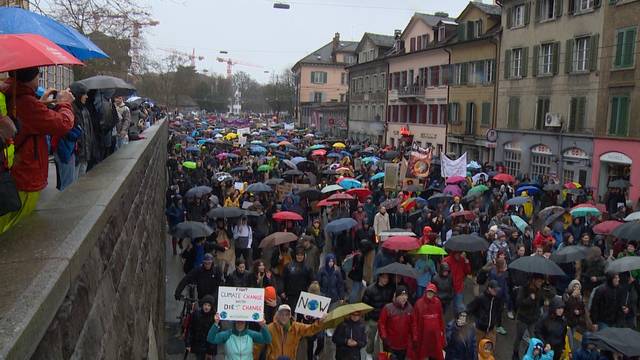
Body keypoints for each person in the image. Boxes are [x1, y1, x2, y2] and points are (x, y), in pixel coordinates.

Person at [0, 68, 75, 234]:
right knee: (17, 229)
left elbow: (25, 119)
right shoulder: (25, 101)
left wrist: (40, 103)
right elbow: (62, 124)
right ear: (31, 77)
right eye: (39, 75)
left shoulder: (10, 94)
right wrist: (65, 104)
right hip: (25, 175)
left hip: (11, 171)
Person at [207, 315, 272, 360]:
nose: (240, 323)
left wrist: (263, 325)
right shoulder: (227, 334)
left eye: (242, 322)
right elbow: (211, 339)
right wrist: (216, 323)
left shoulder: (251, 334)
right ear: (234, 322)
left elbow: (267, 340)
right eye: (238, 321)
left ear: (246, 323)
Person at [512, 275, 545, 360]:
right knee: (519, 337)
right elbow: (519, 303)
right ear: (534, 280)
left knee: (533, 339)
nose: (540, 283)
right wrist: (530, 299)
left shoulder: (539, 290)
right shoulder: (524, 289)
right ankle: (515, 354)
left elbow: (540, 304)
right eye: (539, 281)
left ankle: (529, 354)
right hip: (523, 318)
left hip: (533, 319)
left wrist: (542, 299)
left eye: (542, 282)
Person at [362, 272, 395, 356]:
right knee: (371, 338)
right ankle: (369, 353)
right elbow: (364, 304)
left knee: (384, 340)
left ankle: (383, 356)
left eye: (387, 278)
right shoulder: (370, 289)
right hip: (373, 319)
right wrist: (368, 316)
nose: (386, 280)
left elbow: (391, 304)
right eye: (384, 277)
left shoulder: (390, 289)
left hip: (385, 320)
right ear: (379, 277)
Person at [411, 283, 445, 360]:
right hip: (422, 337)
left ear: (435, 293)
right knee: (423, 355)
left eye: (432, 292)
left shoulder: (438, 302)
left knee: (435, 355)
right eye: (429, 291)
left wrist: (442, 334)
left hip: (435, 337)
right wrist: (415, 336)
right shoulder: (418, 303)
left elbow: (440, 319)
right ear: (425, 291)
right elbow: (414, 322)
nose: (430, 293)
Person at [378, 286, 413, 360]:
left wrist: (413, 338)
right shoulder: (387, 308)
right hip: (390, 345)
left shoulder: (410, 308)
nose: (404, 298)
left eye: (406, 295)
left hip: (404, 345)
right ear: (396, 296)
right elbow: (381, 324)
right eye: (401, 295)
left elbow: (413, 325)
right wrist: (384, 338)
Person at [467, 280, 503, 348]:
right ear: (489, 288)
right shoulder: (480, 298)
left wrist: (496, 322)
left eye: (497, 290)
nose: (496, 291)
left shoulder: (497, 299)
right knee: (475, 349)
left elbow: (499, 310)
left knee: (489, 350)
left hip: (491, 330)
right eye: (494, 290)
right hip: (479, 329)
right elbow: (469, 309)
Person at [186, 295, 216, 360]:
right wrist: (188, 343)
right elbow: (191, 329)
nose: (206, 307)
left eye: (209, 305)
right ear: (202, 305)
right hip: (198, 346)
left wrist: (211, 351)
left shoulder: (214, 317)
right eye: (205, 305)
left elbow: (216, 334)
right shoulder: (196, 314)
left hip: (209, 347)